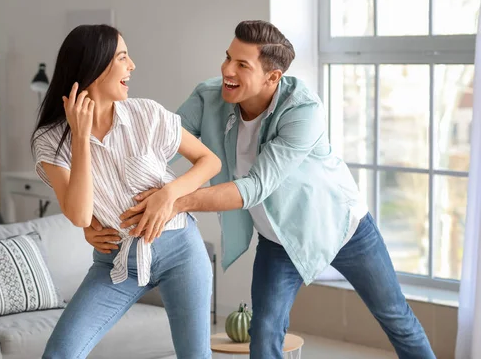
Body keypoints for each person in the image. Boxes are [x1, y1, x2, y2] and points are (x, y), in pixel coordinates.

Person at [86, 20, 436, 359]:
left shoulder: (304, 110)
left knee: (396, 318)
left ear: (273, 77)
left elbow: (255, 187)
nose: (227, 70)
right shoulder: (209, 98)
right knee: (265, 332)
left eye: (242, 64)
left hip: (342, 227)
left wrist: (174, 201)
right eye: (227, 57)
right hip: (278, 236)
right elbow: (149, 147)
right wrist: (92, 216)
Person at [31, 24, 221, 359]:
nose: (132, 65)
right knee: (60, 353)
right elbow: (77, 214)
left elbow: (209, 161)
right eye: (122, 57)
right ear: (95, 66)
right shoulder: (50, 140)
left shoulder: (146, 113)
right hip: (116, 261)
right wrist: (80, 136)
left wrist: (168, 195)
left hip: (181, 251)